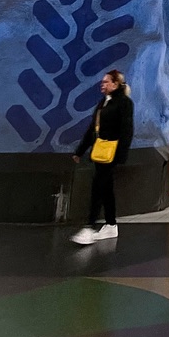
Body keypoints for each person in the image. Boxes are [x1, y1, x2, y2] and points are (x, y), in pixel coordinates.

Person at [70, 69, 134, 245]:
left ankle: (90, 226)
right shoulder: (103, 103)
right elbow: (93, 128)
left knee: (98, 186)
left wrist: (121, 155)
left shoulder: (124, 103)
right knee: (105, 188)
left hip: (111, 152)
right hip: (101, 150)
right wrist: (80, 150)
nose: (102, 84)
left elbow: (126, 130)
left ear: (115, 84)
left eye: (106, 82)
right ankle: (111, 224)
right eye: (103, 82)